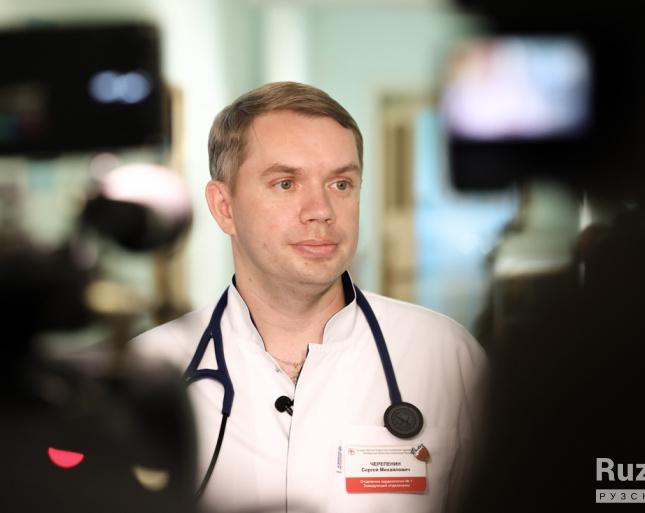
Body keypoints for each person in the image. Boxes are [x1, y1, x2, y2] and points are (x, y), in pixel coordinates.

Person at [131, 81, 486, 513]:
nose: (321, 210)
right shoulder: (146, 371)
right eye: (286, 183)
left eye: (341, 184)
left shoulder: (445, 354)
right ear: (224, 207)